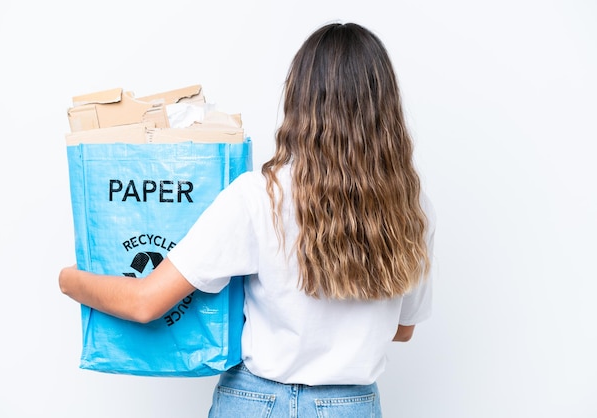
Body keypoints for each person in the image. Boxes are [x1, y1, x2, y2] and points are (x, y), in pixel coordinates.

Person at [59, 21, 435, 418]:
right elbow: (403, 328)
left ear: (300, 101)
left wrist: (69, 281)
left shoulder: (260, 197)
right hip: (351, 406)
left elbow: (145, 301)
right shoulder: (412, 206)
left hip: (256, 404)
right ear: (386, 108)